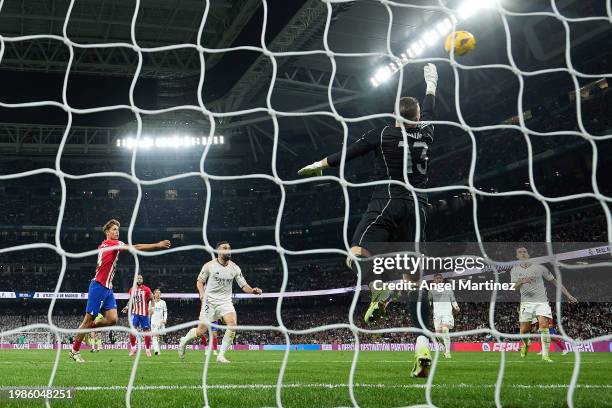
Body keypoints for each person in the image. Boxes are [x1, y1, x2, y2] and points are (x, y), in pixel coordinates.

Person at [297, 64, 439, 327]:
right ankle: (423, 340)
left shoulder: (383, 133)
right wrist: (431, 82)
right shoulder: (427, 131)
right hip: (418, 209)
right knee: (414, 279)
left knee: (355, 254)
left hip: (387, 199)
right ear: (418, 118)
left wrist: (318, 166)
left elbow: (349, 153)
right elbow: (430, 107)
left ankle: (380, 285)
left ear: (395, 115)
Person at [69, 219, 170, 363]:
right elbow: (135, 247)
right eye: (114, 229)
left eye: (117, 230)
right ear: (107, 232)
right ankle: (74, 350)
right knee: (88, 320)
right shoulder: (112, 244)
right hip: (98, 286)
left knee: (112, 319)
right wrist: (157, 245)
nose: (117, 232)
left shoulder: (104, 245)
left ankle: (87, 328)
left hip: (108, 288)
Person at [178, 241, 262, 363]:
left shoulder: (235, 268)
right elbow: (199, 281)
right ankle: (184, 340)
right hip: (209, 302)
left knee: (232, 325)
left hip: (225, 302)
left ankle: (221, 356)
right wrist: (201, 293)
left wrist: (252, 290)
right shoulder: (209, 266)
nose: (228, 250)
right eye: (225, 248)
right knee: (201, 331)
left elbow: (243, 285)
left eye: (229, 248)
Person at [510, 246, 577, 362]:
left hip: (542, 302)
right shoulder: (514, 270)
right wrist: (521, 281)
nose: (523, 254)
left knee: (544, 327)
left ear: (528, 254)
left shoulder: (540, 268)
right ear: (517, 256)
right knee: (524, 331)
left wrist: (568, 295)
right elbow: (512, 287)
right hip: (526, 304)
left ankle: (545, 356)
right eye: (520, 252)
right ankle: (526, 345)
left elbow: (555, 282)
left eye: (524, 251)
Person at [429, 273, 459, 358]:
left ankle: (448, 353)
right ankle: (445, 348)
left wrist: (456, 306)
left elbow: (453, 300)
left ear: (442, 280)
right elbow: (429, 302)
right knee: (439, 336)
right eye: (437, 278)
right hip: (437, 315)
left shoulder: (448, 290)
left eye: (440, 278)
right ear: (434, 281)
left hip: (447, 314)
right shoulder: (431, 291)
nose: (438, 280)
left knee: (445, 330)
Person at [121, 274, 153, 357]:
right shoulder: (132, 290)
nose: (139, 279)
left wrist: (152, 307)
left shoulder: (146, 289)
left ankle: (147, 350)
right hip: (135, 313)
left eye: (141, 278)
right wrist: (127, 307)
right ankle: (133, 348)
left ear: (142, 280)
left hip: (144, 314)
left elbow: (152, 298)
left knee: (146, 332)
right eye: (138, 278)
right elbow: (130, 300)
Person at [150, 288, 168, 356]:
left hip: (161, 322)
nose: (158, 294)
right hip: (154, 322)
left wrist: (165, 319)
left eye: (159, 293)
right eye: (157, 293)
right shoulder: (151, 302)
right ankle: (156, 350)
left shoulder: (163, 302)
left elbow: (165, 312)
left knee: (160, 338)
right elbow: (149, 313)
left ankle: (158, 350)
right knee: (155, 336)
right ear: (154, 294)